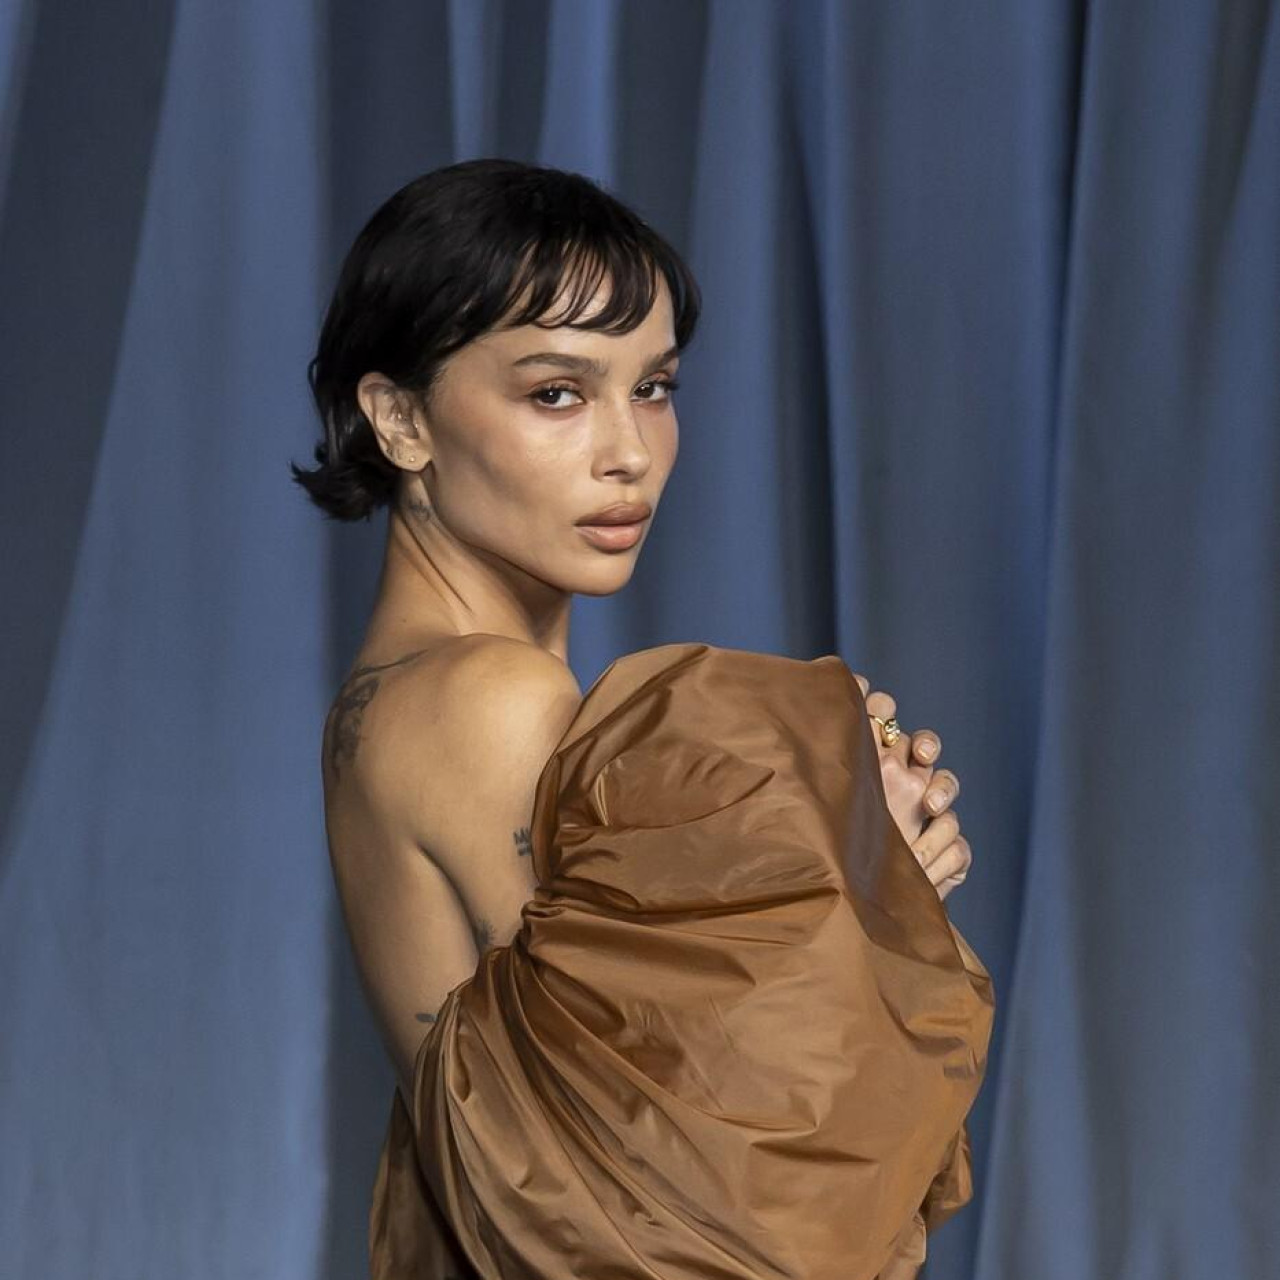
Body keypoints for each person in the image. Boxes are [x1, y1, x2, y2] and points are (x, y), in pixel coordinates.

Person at [292, 158, 992, 1280]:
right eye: (556, 394)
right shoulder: (492, 699)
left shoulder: (391, 693)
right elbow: (709, 1188)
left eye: (653, 387)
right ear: (400, 418)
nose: (628, 453)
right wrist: (868, 890)